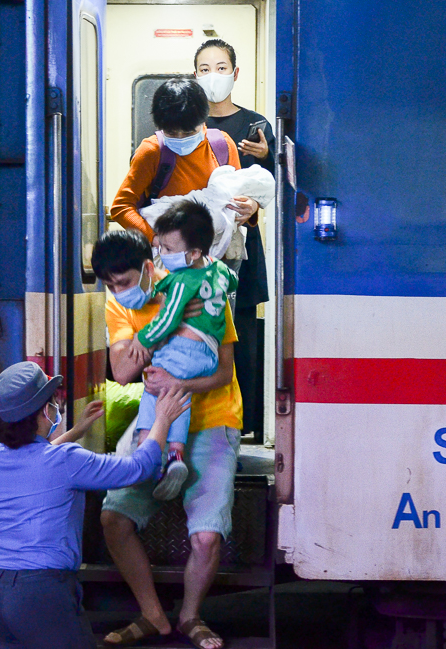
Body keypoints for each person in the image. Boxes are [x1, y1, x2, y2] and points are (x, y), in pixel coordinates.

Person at [0, 360, 189, 649]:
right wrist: (162, 420)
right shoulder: (66, 461)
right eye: (51, 402)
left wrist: (75, 431)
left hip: (1, 595)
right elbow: (138, 468)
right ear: (40, 413)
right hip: (44, 596)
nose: (56, 406)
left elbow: (40, 463)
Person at [91, 229, 243, 649]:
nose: (118, 292)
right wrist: (172, 320)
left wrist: (174, 377)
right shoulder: (120, 306)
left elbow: (223, 374)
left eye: (124, 282)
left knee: (207, 537)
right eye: (110, 285)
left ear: (148, 267)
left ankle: (190, 617)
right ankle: (153, 616)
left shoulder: (205, 290)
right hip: (156, 423)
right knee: (113, 519)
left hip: (214, 418)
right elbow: (121, 371)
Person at [127, 200, 238, 502]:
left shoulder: (183, 281)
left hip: (184, 350)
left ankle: (146, 452)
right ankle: (175, 454)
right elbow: (234, 280)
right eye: (160, 246)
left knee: (155, 389)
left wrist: (143, 339)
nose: (163, 254)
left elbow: (168, 319)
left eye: (169, 250)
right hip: (207, 353)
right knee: (177, 393)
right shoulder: (218, 270)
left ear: (194, 253)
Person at [196, 39, 275, 437]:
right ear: (194, 76)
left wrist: (256, 211)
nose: (214, 76)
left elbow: (273, 191)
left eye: (221, 67)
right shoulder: (183, 126)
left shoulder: (256, 127)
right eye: (205, 68)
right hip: (194, 250)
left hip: (241, 253)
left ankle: (242, 427)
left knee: (240, 335)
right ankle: (197, 427)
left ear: (236, 73)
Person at [110, 77, 259, 242]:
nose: (180, 138)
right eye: (172, 133)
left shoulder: (222, 145)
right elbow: (121, 207)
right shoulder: (151, 151)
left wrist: (251, 206)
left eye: (188, 133)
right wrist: (156, 240)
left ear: (203, 121)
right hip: (169, 254)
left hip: (217, 255)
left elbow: (239, 195)